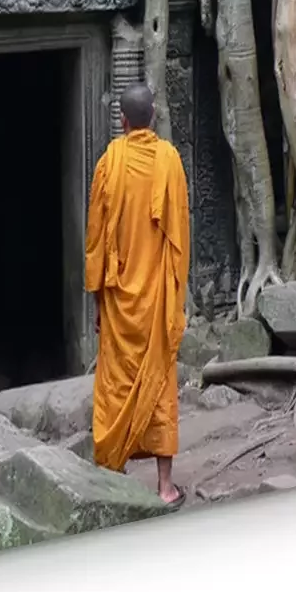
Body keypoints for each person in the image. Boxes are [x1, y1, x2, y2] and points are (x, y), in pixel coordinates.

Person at [84, 82, 191, 505]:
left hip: (118, 299)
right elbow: (179, 232)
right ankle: (165, 488)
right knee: (160, 382)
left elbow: (95, 239)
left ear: (123, 120)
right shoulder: (169, 161)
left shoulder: (108, 164)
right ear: (153, 117)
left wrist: (98, 301)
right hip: (158, 298)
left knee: (115, 385)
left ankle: (113, 482)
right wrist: (177, 295)